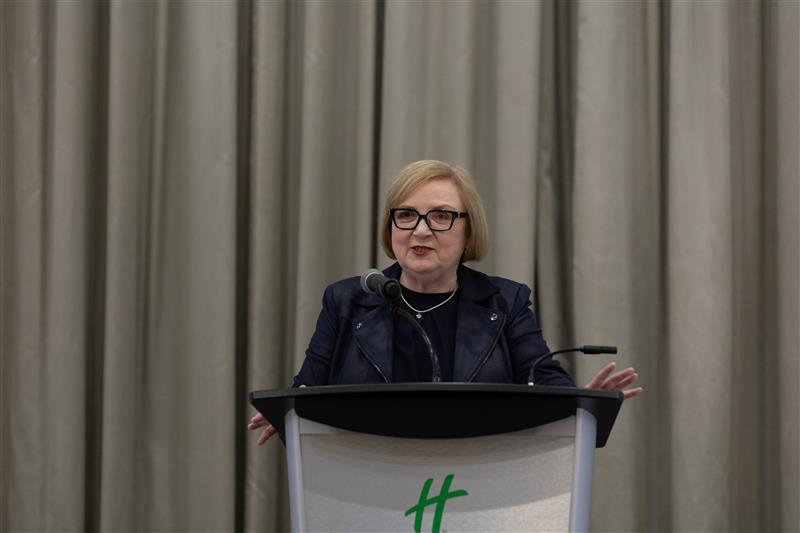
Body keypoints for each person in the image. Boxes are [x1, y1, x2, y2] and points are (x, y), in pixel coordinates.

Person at [249, 160, 642, 444]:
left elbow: (544, 380)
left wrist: (578, 405)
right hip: (367, 484)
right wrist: (289, 413)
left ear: (469, 231)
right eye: (406, 215)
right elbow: (308, 390)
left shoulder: (504, 301)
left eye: (440, 217)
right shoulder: (347, 300)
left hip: (475, 489)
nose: (420, 231)